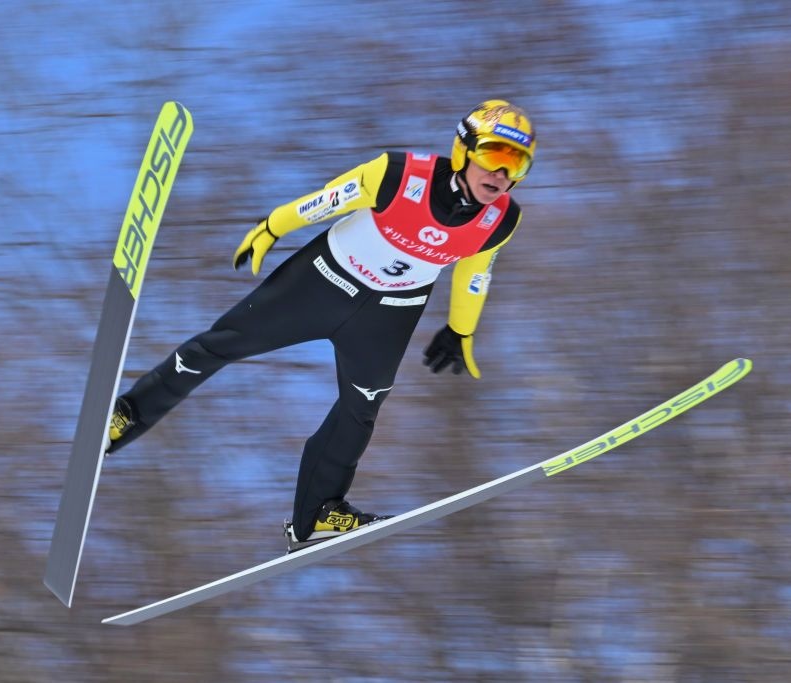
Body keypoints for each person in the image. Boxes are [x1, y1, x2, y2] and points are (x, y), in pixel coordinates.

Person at [106, 99, 536, 550]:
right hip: (323, 281)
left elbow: (475, 272)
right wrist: (274, 226)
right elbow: (329, 199)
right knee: (222, 344)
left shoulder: (502, 218)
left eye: (517, 165)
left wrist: (460, 329)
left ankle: (317, 515)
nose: (502, 175)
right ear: (465, 149)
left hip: (390, 311)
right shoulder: (399, 173)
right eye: (494, 156)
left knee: (361, 408)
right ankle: (124, 416)